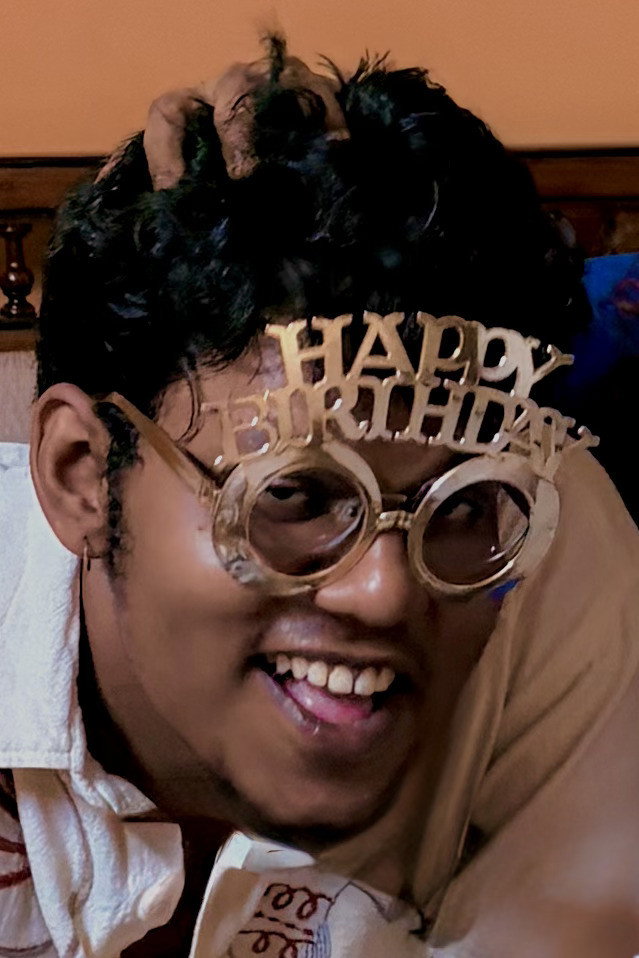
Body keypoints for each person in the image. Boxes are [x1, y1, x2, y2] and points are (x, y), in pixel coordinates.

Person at [1, 35, 639, 958]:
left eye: (459, 506)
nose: (387, 590)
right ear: (81, 476)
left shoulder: (543, 536)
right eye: (295, 494)